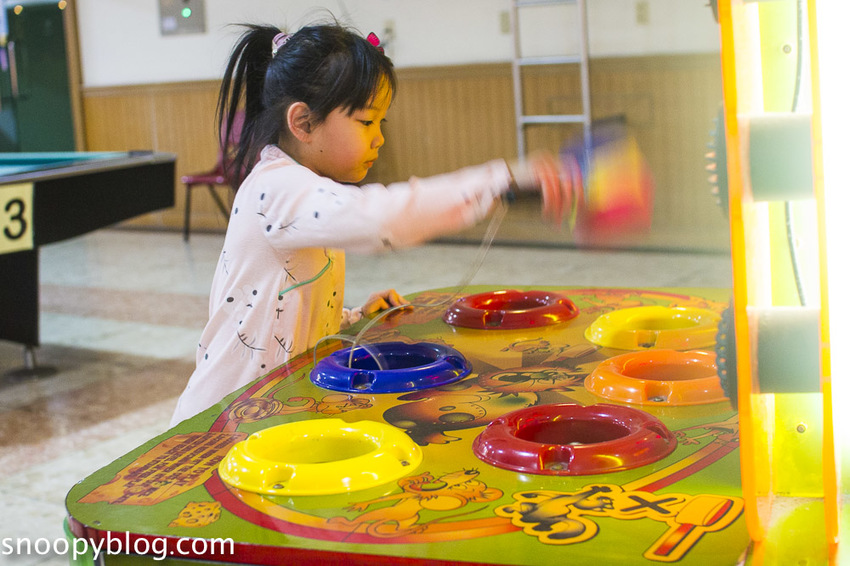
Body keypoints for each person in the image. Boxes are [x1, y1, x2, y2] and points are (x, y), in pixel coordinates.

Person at [170, 22, 574, 425]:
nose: (379, 138)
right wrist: (496, 181)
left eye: (381, 122)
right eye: (367, 123)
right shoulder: (277, 187)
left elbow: (283, 305)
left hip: (267, 410)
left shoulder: (305, 189)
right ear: (304, 123)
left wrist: (352, 315)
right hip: (219, 421)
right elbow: (382, 217)